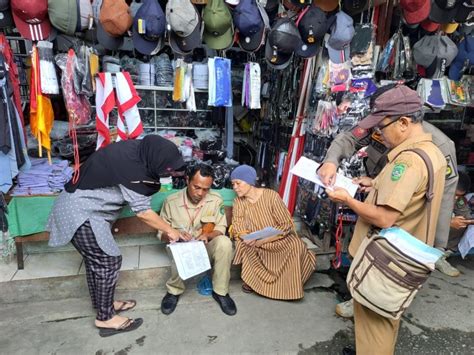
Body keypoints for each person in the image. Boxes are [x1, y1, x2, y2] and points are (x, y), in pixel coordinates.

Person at [318, 83, 458, 318]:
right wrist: (331, 160)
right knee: (364, 252)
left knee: (389, 277)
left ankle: (377, 305)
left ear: (403, 122)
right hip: (380, 198)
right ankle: (360, 297)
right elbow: (349, 139)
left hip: (406, 223)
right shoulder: (383, 121)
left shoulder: (439, 147)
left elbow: (443, 200)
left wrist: (436, 247)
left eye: (382, 127)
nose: (378, 132)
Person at [47, 135, 185, 337]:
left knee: (97, 262)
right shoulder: (131, 168)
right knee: (108, 261)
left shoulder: (134, 152)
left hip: (83, 210)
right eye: (166, 168)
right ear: (155, 157)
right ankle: (105, 318)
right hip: (81, 214)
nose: (167, 172)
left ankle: (104, 305)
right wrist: (170, 230)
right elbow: (143, 212)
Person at [158, 164, 236, 316]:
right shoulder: (171, 201)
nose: (201, 193)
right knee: (177, 246)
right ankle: (174, 290)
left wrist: (208, 235)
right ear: (187, 180)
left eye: (206, 189)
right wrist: (174, 234)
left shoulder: (215, 200)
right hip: (182, 247)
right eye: (197, 187)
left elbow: (220, 228)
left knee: (225, 243)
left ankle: (220, 292)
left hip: (204, 246)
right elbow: (161, 233)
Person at [230, 165, 316, 300]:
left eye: (238, 183)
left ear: (250, 181)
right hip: (253, 240)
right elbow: (238, 225)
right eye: (233, 184)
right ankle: (254, 281)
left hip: (276, 237)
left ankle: (289, 287)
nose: (235, 187)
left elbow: (286, 224)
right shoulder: (238, 202)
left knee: (295, 245)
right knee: (244, 245)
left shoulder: (271, 196)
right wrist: (246, 237)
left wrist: (263, 240)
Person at [436, 171, 472, 276]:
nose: (456, 198)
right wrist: (448, 222)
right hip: (421, 232)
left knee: (462, 224)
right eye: (455, 194)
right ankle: (434, 254)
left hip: (441, 234)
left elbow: (465, 214)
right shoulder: (435, 192)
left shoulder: (459, 199)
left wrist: (469, 220)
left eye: (459, 195)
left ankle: (442, 253)